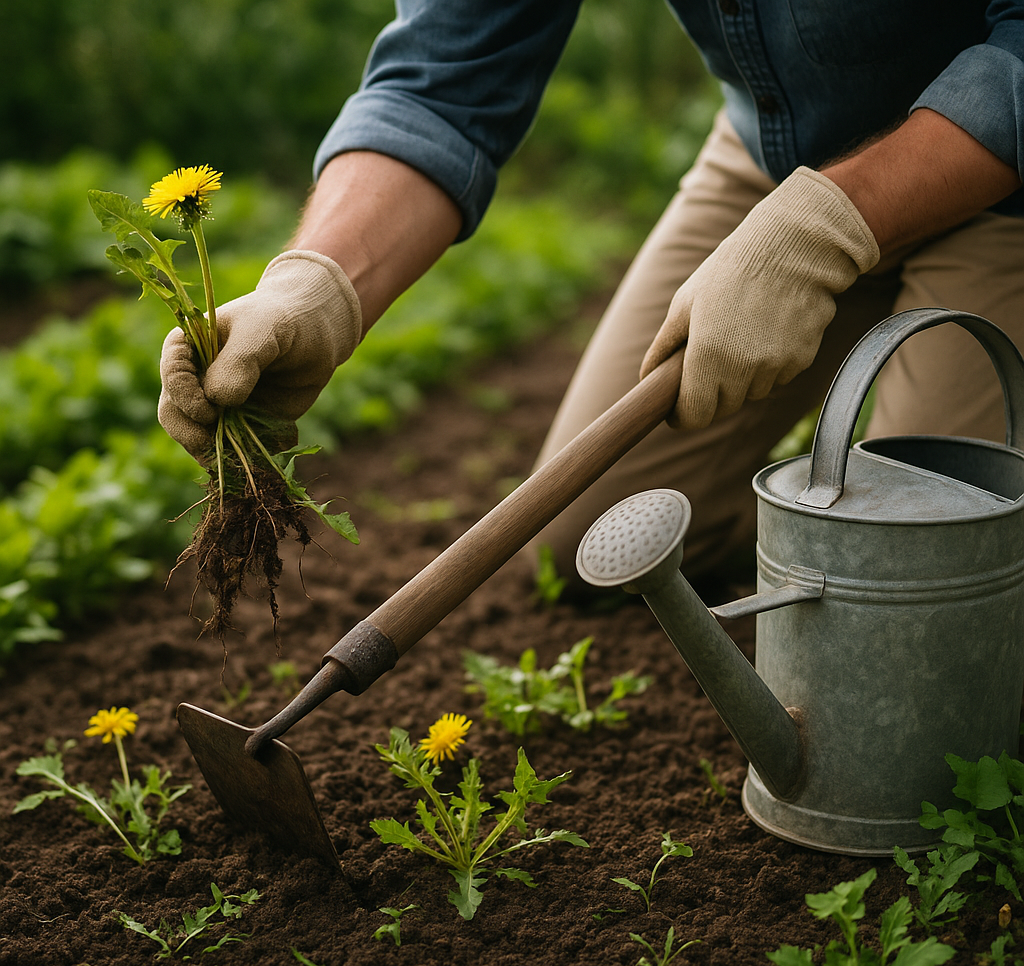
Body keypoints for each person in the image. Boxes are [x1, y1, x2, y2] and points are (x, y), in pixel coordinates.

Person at [158, 1, 1024, 589]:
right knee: (593, 534)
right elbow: (440, 82)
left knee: (933, 570)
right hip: (784, 162)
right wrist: (317, 285)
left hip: (1003, 176)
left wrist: (834, 227)